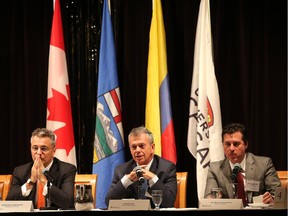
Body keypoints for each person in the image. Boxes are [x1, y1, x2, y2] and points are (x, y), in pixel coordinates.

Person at [204, 122, 281, 205]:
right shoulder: (215, 169)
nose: (232, 148)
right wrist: (212, 199)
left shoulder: (264, 164)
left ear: (246, 144)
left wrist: (272, 199)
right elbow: (209, 198)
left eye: (236, 144)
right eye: (227, 144)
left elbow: (278, 194)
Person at [105, 126, 177, 208]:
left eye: (142, 146)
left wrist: (153, 178)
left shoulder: (167, 168)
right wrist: (127, 180)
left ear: (152, 148)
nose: (137, 150)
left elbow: (169, 202)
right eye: (134, 147)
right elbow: (108, 203)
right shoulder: (121, 170)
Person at [6, 128, 77, 209]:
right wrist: (31, 182)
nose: (39, 153)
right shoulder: (20, 171)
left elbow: (67, 202)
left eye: (44, 148)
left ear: (54, 151)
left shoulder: (66, 170)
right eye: (35, 148)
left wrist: (43, 179)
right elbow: (9, 204)